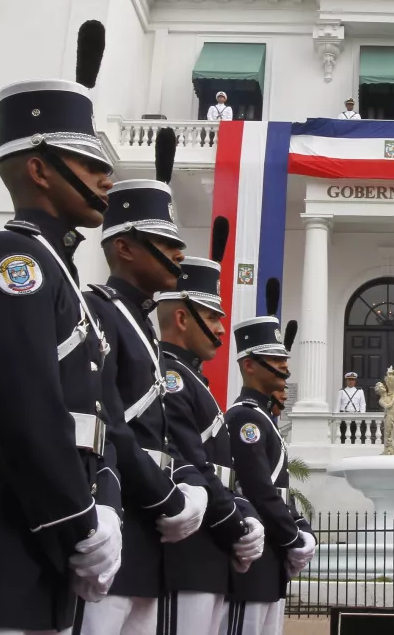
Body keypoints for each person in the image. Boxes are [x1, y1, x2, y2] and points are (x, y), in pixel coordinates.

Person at [0, 25, 125, 634]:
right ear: (39, 169)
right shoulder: (13, 263)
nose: (105, 181)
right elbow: (25, 412)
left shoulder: (58, 272)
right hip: (2, 548)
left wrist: (104, 510)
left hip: (42, 557)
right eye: (89, 165)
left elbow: (97, 418)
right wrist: (75, 523)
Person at [81, 142, 208, 635]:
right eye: (163, 240)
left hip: (149, 522)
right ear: (124, 247)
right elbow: (109, 420)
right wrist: (164, 498)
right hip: (120, 511)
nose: (179, 252)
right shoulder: (101, 311)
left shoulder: (140, 324)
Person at [154, 229, 266, 635]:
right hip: (187, 550)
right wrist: (236, 523)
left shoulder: (192, 380)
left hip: (210, 547)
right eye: (214, 317)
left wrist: (245, 515)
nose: (222, 330)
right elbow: (190, 463)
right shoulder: (171, 378)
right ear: (182, 318)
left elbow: (224, 472)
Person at [226, 280, 318, 635]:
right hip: (256, 551)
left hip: (272, 552)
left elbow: (279, 492)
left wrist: (299, 530)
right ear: (249, 365)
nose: (287, 370)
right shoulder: (245, 417)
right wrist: (293, 537)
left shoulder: (260, 418)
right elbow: (258, 491)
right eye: (278, 360)